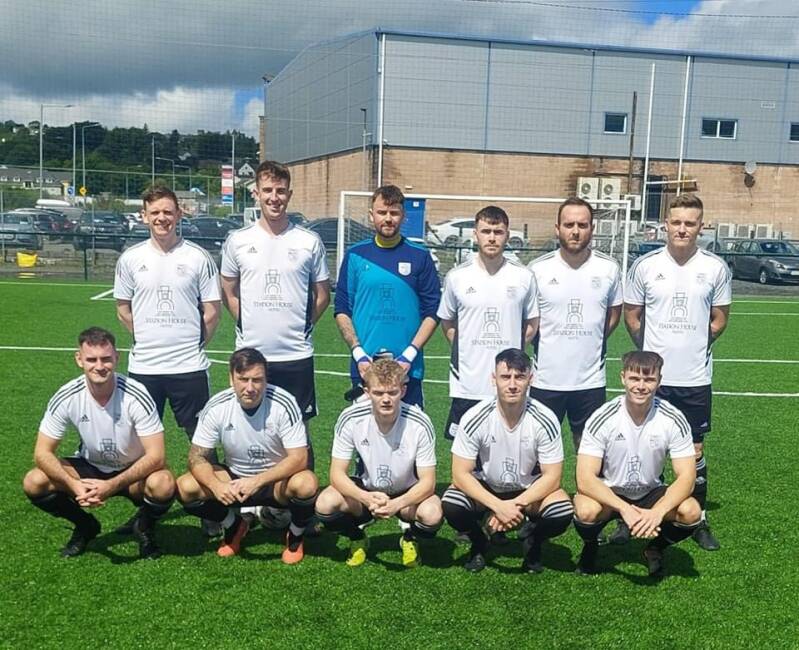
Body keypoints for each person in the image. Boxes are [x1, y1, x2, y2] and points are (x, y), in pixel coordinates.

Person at [623, 193, 731, 551]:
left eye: (690, 223)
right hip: (653, 380)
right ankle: (631, 515)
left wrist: (693, 346)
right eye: (677, 222)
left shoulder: (715, 268)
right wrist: (653, 354)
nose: (682, 229)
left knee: (695, 451)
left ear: (701, 227)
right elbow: (632, 317)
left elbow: (719, 320)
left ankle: (697, 519)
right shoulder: (645, 266)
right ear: (665, 224)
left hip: (694, 379)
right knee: (640, 445)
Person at [114, 185, 220, 535]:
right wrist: (145, 338)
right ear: (144, 216)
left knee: (201, 439)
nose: (161, 218)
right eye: (154, 212)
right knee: (137, 446)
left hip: (189, 367)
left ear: (179, 214)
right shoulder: (130, 259)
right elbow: (123, 308)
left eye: (168, 211)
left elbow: (212, 311)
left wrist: (191, 343)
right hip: (144, 369)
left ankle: (211, 509)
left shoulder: (198, 258)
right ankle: (144, 513)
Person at [22, 327, 175, 560]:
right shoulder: (67, 395)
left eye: (106, 359)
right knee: (34, 481)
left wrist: (110, 486)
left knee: (163, 483)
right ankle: (86, 526)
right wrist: (73, 485)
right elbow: (42, 453)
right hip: (89, 466)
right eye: (91, 359)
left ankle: (143, 526)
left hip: (131, 470)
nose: (99, 366)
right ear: (79, 359)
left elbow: (157, 456)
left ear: (117, 358)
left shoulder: (136, 394)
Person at [175, 348, 318, 564]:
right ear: (231, 378)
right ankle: (234, 525)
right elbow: (196, 457)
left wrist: (257, 481)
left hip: (274, 482)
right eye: (243, 379)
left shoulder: (284, 403)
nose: (250, 388)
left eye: (257, 380)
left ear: (266, 379)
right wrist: (215, 485)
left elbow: (299, 458)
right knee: (185, 487)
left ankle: (295, 534)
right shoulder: (216, 407)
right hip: (235, 480)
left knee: (307, 483)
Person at [220, 160, 330, 441]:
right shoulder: (238, 240)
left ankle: (301, 486)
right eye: (267, 190)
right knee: (250, 430)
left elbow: (322, 295)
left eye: (280, 191)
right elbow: (229, 292)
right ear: (255, 193)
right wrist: (247, 322)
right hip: (251, 352)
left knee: (299, 433)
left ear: (289, 195)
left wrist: (302, 325)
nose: (274, 197)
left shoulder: (309, 241)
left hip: (295, 354)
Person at [442, 348, 573, 573]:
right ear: (494, 379)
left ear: (530, 379)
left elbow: (553, 477)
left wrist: (514, 506)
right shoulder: (475, 416)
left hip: (528, 492)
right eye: (505, 377)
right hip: (488, 489)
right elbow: (460, 473)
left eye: (519, 377)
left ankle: (533, 540)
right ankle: (479, 542)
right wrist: (496, 506)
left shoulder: (545, 418)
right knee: (452, 503)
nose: (512, 384)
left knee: (561, 511)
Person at [573, 351, 702, 577]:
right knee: (586, 510)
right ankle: (591, 545)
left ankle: (654, 548)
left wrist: (658, 512)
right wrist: (625, 509)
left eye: (649, 379)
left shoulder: (673, 418)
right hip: (611, 491)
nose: (641, 386)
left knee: (691, 512)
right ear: (623, 377)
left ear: (659, 381)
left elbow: (687, 477)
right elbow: (584, 478)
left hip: (651, 491)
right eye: (635, 378)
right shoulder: (603, 417)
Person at [315, 359, 442, 568]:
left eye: (392, 392)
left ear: (403, 390)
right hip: (367, 490)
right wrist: (365, 497)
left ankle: (410, 537)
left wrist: (396, 505)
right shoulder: (350, 418)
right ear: (366, 391)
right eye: (378, 393)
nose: (386, 400)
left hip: (406, 494)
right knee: (325, 504)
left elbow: (428, 482)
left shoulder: (420, 422)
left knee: (432, 514)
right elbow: (337, 474)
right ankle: (357, 537)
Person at [528, 197, 623, 451]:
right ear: (557, 228)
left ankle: (587, 492)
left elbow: (614, 313)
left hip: (590, 380)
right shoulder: (537, 270)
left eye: (582, 224)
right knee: (538, 446)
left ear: (592, 228)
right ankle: (541, 492)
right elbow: (529, 320)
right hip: (545, 379)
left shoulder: (608, 268)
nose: (575, 231)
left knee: (589, 447)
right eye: (569, 224)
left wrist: (592, 339)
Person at [334, 185, 440, 408]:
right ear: (372, 215)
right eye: (382, 212)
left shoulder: (420, 256)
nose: (388, 219)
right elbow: (342, 309)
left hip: (408, 368)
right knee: (364, 439)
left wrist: (409, 355)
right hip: (364, 367)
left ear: (404, 216)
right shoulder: (355, 255)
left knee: (409, 440)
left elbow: (432, 311)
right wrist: (358, 353)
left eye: (394, 213)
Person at [438, 205, 538, 441]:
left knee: (507, 442)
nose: (492, 237)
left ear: (507, 234)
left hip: (509, 381)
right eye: (486, 231)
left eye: (498, 231)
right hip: (468, 381)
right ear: (475, 234)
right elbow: (447, 321)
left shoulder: (523, 276)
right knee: (464, 449)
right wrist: (467, 348)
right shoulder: (457, 277)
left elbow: (532, 322)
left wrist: (514, 349)